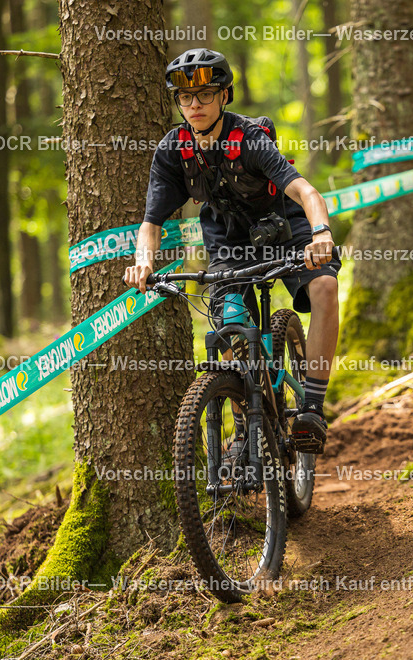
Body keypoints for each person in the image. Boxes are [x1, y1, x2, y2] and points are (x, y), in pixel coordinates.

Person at [123, 48, 338, 454]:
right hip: (229, 238)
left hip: (285, 225)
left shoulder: (249, 139)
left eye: (205, 94)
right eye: (186, 97)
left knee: (325, 288)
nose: (195, 105)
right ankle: (245, 426)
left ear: (225, 96)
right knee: (230, 324)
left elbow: (306, 191)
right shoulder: (175, 150)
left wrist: (321, 233)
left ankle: (311, 406)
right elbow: (150, 224)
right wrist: (143, 263)